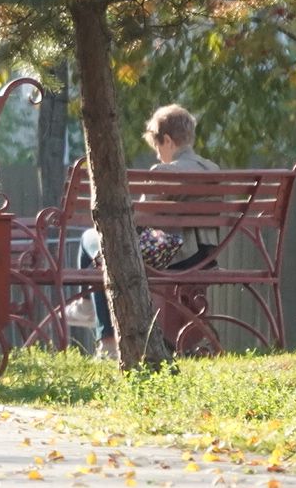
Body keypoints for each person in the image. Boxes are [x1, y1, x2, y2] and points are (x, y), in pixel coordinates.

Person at [77, 103, 220, 358]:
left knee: (91, 239)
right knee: (102, 251)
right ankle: (89, 306)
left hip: (172, 256)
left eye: (157, 147)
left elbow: (136, 219)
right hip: (205, 257)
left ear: (167, 140)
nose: (157, 155)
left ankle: (102, 330)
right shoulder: (213, 170)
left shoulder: (166, 171)